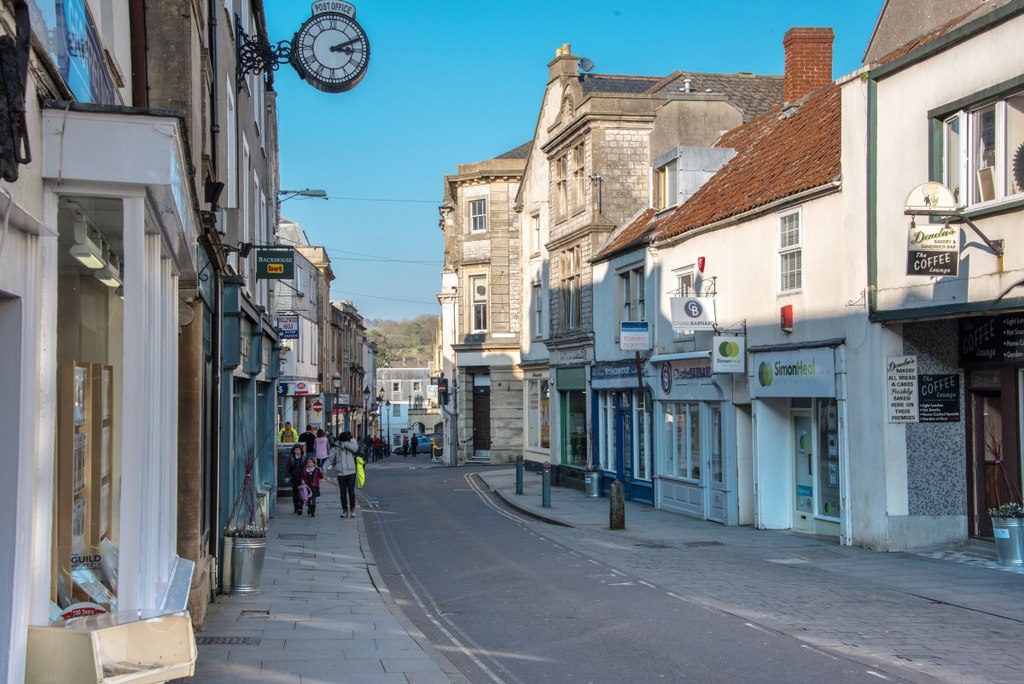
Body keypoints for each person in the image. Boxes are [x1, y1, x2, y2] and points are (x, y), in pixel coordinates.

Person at [334, 431, 359, 517]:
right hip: (341, 474)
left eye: (343, 441)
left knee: (351, 492)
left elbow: (355, 449)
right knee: (342, 493)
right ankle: (344, 510)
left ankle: (352, 509)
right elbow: (330, 458)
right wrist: (324, 468)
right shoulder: (336, 446)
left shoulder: (351, 442)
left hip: (351, 472)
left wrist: (346, 444)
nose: (341, 442)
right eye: (340, 441)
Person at [287, 445, 306, 514]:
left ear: (301, 451)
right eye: (296, 450)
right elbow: (288, 468)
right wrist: (286, 476)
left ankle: (300, 507)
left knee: (301, 492)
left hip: (302, 479)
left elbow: (306, 468)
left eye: (299, 450)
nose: (297, 452)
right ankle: (296, 506)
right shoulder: (291, 458)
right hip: (294, 478)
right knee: (295, 493)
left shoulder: (304, 458)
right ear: (293, 451)